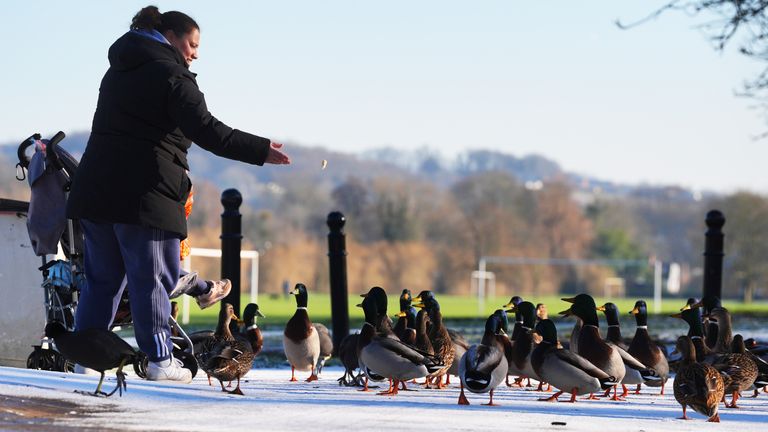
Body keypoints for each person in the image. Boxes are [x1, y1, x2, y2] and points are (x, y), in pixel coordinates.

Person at [66, 6, 290, 383]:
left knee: (101, 280)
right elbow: (205, 129)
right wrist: (259, 149)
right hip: (144, 193)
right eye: (192, 44)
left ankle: (85, 360)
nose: (195, 53)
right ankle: (159, 360)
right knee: (152, 277)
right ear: (170, 36)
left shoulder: (118, 69)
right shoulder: (171, 74)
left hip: (96, 190)